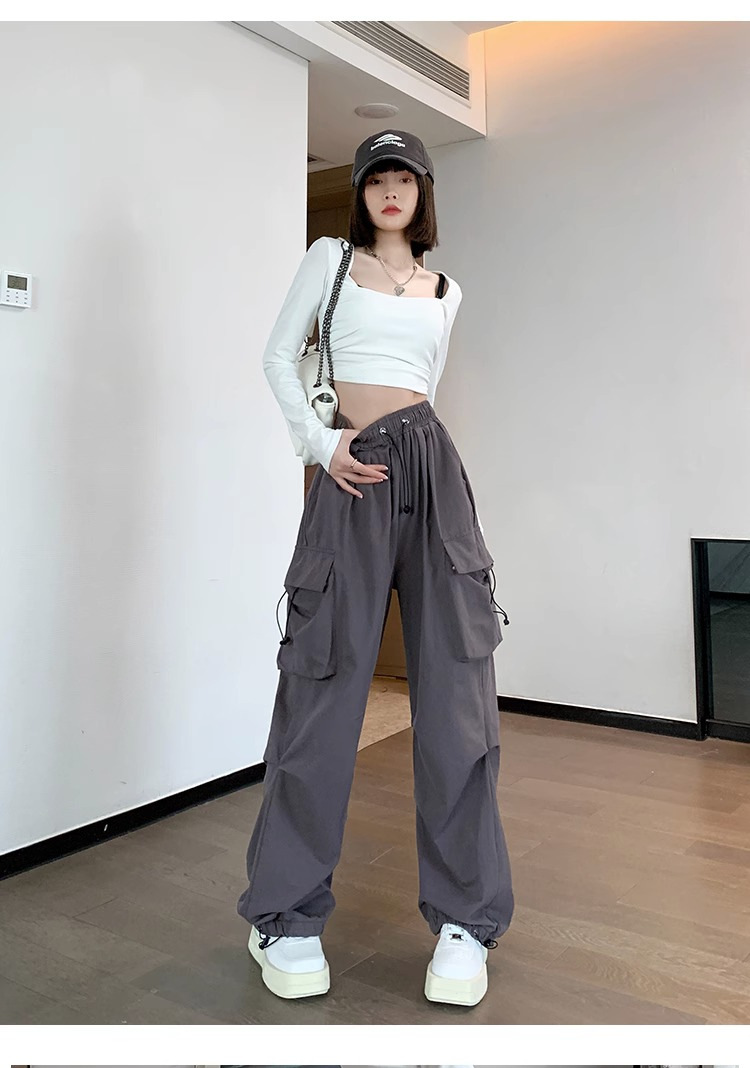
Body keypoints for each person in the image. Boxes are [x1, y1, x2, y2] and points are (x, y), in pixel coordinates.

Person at [237, 129, 514, 1008]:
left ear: (423, 193)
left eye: (404, 179)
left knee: (459, 698)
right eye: (375, 180)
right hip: (349, 473)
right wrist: (320, 446)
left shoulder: (447, 290)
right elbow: (279, 358)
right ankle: (284, 916)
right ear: (360, 193)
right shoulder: (328, 261)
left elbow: (422, 383)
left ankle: (467, 921)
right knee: (320, 693)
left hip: (432, 473)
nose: (390, 191)